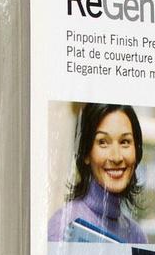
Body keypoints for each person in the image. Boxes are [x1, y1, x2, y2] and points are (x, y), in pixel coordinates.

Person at [48, 103, 148, 244]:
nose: (116, 157)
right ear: (86, 153)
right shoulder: (62, 226)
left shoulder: (138, 236)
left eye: (125, 142)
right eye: (103, 142)